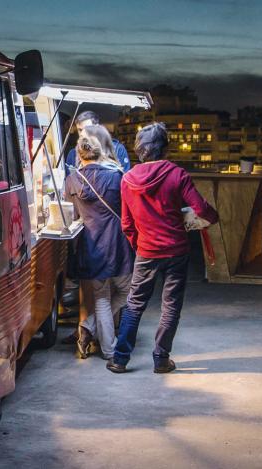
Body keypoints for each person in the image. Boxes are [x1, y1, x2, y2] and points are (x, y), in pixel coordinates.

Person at [106, 122, 219, 374]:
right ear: (164, 148)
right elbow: (200, 209)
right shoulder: (177, 174)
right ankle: (161, 359)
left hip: (146, 251)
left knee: (135, 304)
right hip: (177, 250)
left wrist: (141, 245)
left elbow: (127, 224)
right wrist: (213, 217)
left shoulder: (128, 179)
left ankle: (120, 359)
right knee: (171, 305)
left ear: (139, 150)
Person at [65, 134, 134, 359]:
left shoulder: (72, 180)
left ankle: (103, 343)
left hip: (91, 244)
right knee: (129, 291)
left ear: (79, 155)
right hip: (117, 242)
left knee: (101, 296)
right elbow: (128, 209)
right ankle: (102, 340)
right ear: (100, 152)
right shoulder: (117, 177)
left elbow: (71, 214)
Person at [65, 110, 130, 174]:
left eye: (87, 128)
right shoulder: (73, 154)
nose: (83, 133)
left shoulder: (117, 149)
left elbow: (125, 180)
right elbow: (69, 180)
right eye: (80, 130)